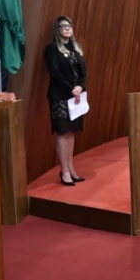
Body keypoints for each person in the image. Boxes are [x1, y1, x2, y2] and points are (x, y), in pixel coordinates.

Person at [44, 16, 87, 186]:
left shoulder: (77, 48)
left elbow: (84, 73)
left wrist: (80, 87)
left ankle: (71, 168)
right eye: (63, 26)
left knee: (72, 132)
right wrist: (71, 88)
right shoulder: (52, 49)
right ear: (57, 30)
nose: (67, 28)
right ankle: (64, 171)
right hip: (60, 96)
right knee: (63, 132)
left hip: (77, 96)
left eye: (69, 25)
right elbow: (55, 73)